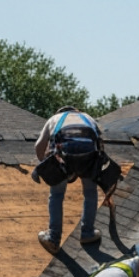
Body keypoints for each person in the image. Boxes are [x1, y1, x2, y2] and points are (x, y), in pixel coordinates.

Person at [34, 106, 105, 253]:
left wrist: (47, 166)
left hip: (63, 156)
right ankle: (88, 233)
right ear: (76, 111)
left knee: (57, 194)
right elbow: (100, 145)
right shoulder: (88, 118)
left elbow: (39, 146)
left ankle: (53, 238)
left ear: (59, 113)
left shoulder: (54, 119)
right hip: (89, 155)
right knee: (90, 192)